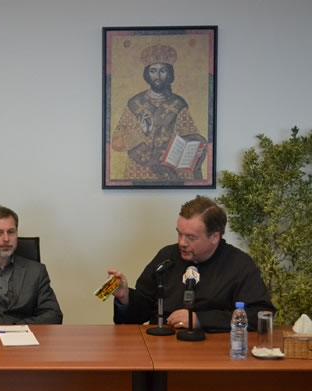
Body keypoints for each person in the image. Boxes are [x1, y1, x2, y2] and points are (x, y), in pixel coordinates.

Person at [109, 196, 275, 331]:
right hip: (162, 348)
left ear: (214, 237)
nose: (182, 243)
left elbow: (261, 315)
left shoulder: (239, 265)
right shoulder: (167, 256)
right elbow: (139, 314)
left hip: (214, 353)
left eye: (191, 237)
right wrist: (125, 298)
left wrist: (201, 320)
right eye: (179, 234)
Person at [111, 44, 208, 182]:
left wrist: (197, 143)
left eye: (163, 71)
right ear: (147, 74)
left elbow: (190, 135)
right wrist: (140, 133)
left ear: (169, 74)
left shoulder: (178, 104)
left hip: (171, 171)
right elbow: (116, 143)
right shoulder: (135, 104)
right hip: (140, 170)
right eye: (153, 71)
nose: (157, 76)